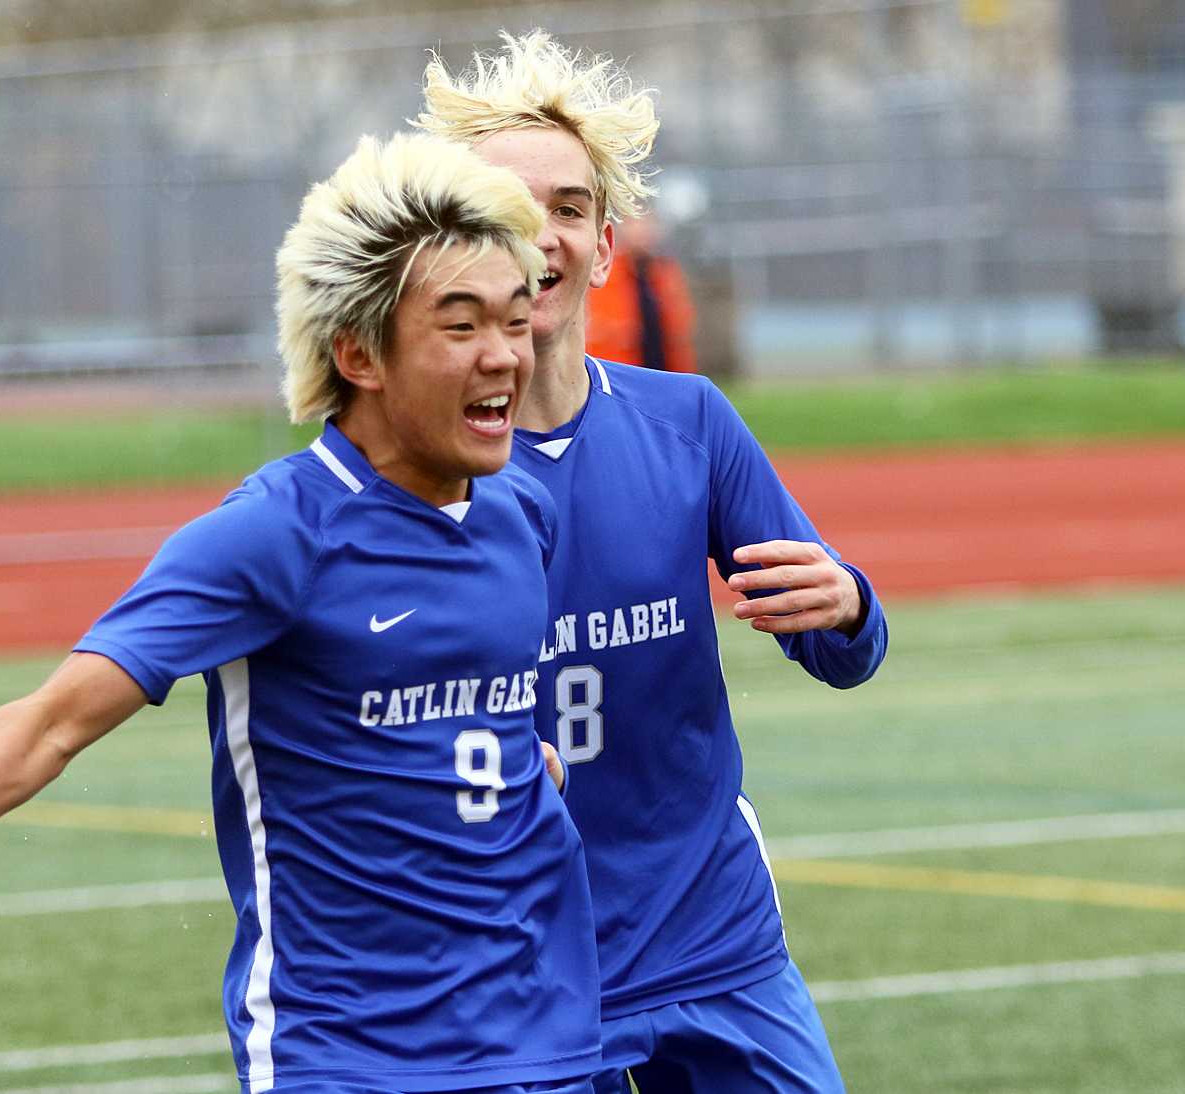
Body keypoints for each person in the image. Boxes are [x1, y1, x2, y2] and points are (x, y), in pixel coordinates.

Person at [0, 132, 604, 1094]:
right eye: (461, 327)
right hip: (352, 1057)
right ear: (359, 352)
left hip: (548, 1038)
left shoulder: (522, 511)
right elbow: (55, 717)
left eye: (517, 322)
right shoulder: (275, 534)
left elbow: (500, 718)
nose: (504, 357)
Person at [417, 32, 888, 1094]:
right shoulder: (400, 476)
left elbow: (843, 650)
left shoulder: (689, 424)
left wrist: (846, 602)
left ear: (605, 242)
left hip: (712, 944)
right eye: (502, 202)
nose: (540, 231)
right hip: (513, 969)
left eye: (570, 206)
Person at [583, 213, 697, 373]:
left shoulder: (665, 273)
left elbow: (680, 322)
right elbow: (603, 328)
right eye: (635, 227)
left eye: (647, 227)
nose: (642, 234)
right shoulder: (608, 274)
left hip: (663, 362)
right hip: (624, 366)